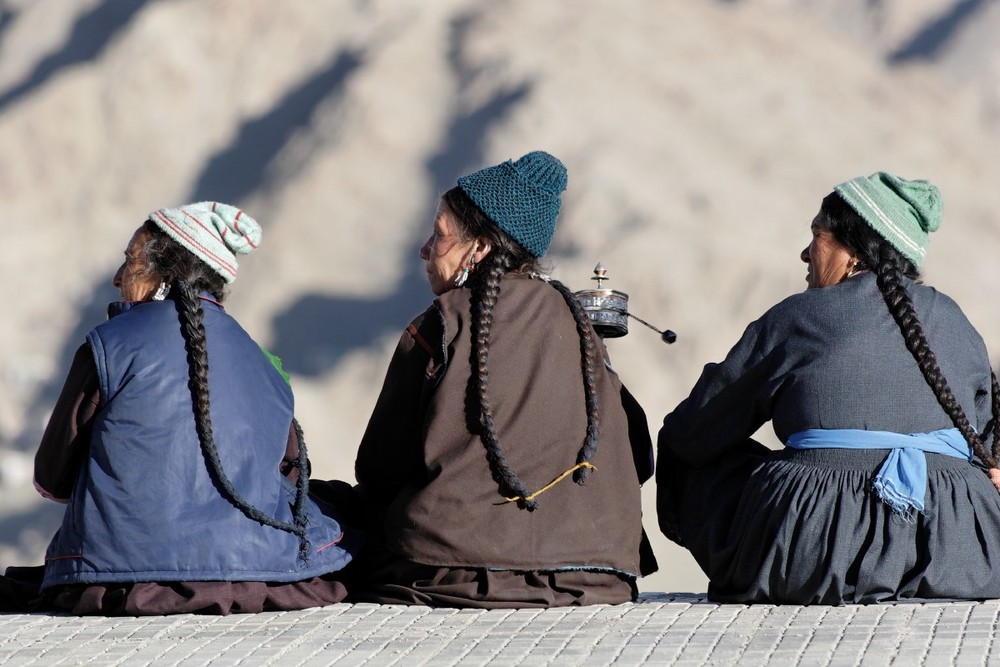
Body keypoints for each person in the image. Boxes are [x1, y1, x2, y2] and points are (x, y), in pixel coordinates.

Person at [657, 172, 1000, 604]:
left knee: (695, 450)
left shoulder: (800, 316)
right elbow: (990, 447)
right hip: (960, 556)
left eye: (817, 235)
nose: (805, 252)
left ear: (853, 250)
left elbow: (696, 429)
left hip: (813, 555)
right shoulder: (957, 321)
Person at [344, 150, 657, 607]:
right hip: (595, 579)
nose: (424, 249)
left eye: (439, 235)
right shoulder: (583, 328)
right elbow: (640, 457)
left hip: (448, 573)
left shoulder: (442, 324)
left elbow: (379, 469)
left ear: (480, 248)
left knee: (328, 510)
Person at [18, 202, 358, 615]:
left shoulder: (108, 346)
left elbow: (52, 480)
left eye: (130, 262)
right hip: (251, 572)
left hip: (118, 577)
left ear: (165, 276)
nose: (116, 278)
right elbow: (290, 479)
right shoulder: (264, 362)